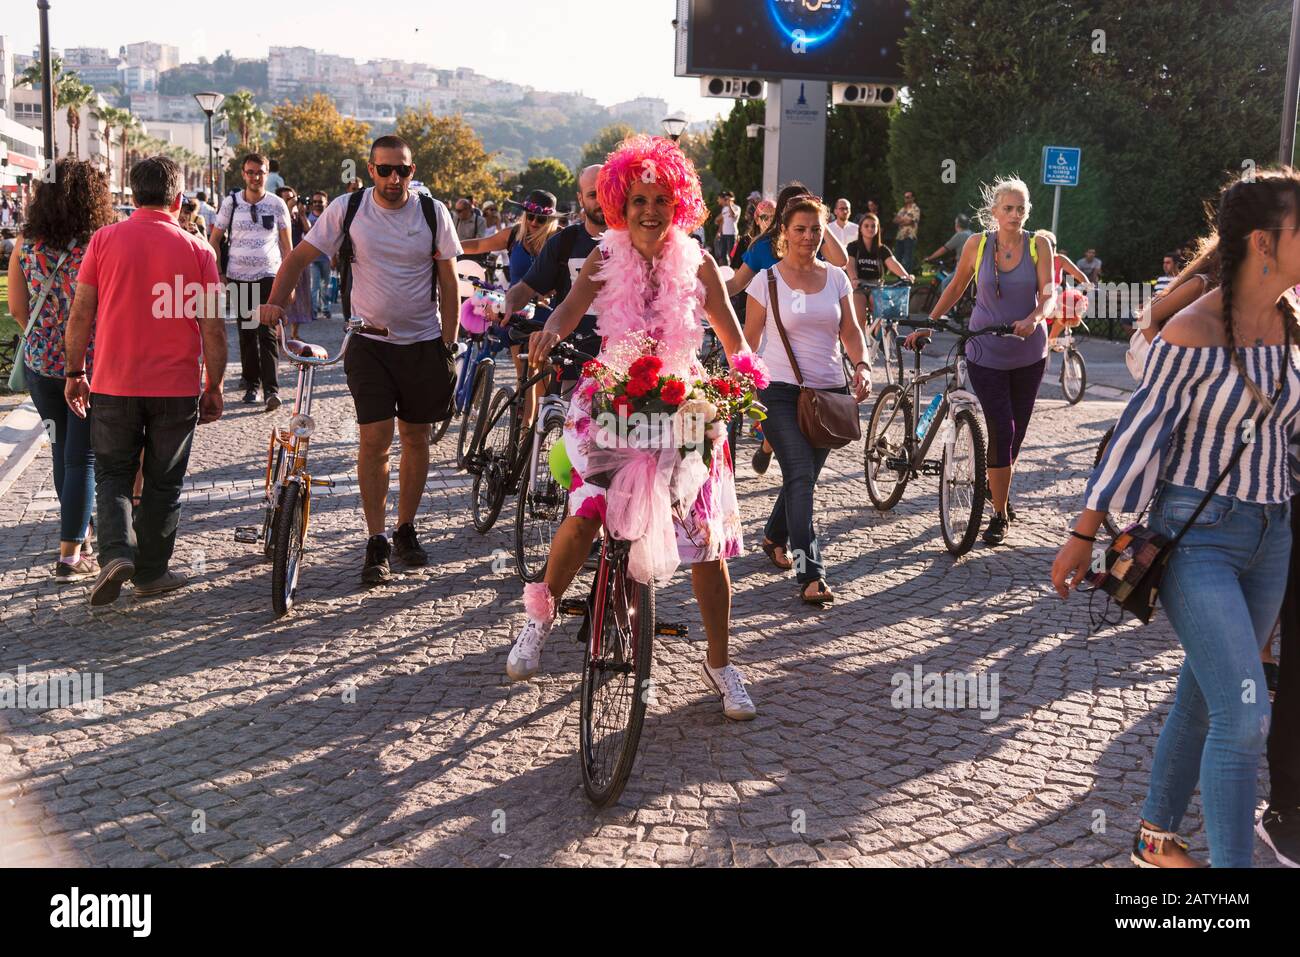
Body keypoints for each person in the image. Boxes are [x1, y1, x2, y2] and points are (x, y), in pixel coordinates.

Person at [1051, 167, 1300, 868]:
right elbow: (1136, 436)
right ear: (1264, 242)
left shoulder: (1288, 325)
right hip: (1200, 539)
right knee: (1246, 710)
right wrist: (1083, 530)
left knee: (1207, 688)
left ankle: (1156, 838)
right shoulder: (1190, 330)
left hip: (1271, 537)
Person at [506, 135, 759, 720]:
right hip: (615, 393)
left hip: (683, 400)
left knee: (706, 545)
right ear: (622, 203)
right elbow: (569, 310)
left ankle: (721, 664)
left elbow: (731, 334)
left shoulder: (700, 263)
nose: (650, 210)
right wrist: (549, 332)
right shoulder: (604, 256)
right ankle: (538, 618)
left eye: (661, 200)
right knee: (587, 514)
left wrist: (748, 377)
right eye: (639, 199)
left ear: (679, 206)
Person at [260, 135, 461, 585]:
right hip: (367, 342)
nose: (394, 179)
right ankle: (376, 539)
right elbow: (298, 256)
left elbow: (449, 282)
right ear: (370, 170)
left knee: (416, 436)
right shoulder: (348, 209)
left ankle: (405, 527)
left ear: (412, 171)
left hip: (423, 343)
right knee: (375, 439)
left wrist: (447, 343)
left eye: (403, 171)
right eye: (385, 169)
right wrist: (275, 302)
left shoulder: (432, 212)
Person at [62, 155, 227, 606]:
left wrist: (75, 372)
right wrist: (213, 384)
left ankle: (116, 553)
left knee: (113, 473)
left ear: (133, 196)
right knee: (163, 480)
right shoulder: (198, 251)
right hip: (175, 386)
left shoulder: (104, 241)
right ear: (177, 199)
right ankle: (152, 572)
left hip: (114, 380)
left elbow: (81, 314)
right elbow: (212, 327)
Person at [905, 176, 1056, 545]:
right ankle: (1000, 514)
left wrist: (1035, 319)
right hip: (985, 351)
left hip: (1028, 353)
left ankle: (995, 488)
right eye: (1008, 208)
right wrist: (930, 324)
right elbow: (956, 286)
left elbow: (1049, 294)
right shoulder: (978, 244)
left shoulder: (1039, 245)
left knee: (1014, 435)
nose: (1015, 214)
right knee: (1001, 429)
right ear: (994, 211)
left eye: (1021, 208)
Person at [745, 195, 872, 604]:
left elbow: (850, 331)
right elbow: (748, 341)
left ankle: (773, 535)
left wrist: (863, 365)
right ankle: (810, 572)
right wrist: (741, 388)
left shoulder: (836, 277)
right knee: (800, 475)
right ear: (783, 232)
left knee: (804, 478)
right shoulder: (765, 282)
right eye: (800, 229)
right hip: (778, 392)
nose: (808, 237)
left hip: (828, 394)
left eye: (816, 230)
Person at [7, 159, 117, 581]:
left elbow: (18, 308)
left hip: (41, 365)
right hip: (86, 365)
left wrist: (45, 339)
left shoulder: (26, 242)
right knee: (83, 457)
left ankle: (82, 535)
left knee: (62, 449)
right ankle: (71, 554)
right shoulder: (100, 243)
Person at [726, 183, 850, 476]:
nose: (807, 233)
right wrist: (706, 294)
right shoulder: (760, 247)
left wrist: (819, 222)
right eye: (795, 206)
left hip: (813, 343)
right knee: (786, 416)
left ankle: (771, 446)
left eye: (806, 205)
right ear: (783, 215)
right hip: (774, 336)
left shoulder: (813, 242)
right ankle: (773, 444)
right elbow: (736, 284)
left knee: (800, 429)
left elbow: (841, 260)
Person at [502, 167, 606, 426]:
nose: (601, 200)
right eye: (593, 194)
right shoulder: (565, 242)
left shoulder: (632, 241)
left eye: (607, 192)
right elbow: (527, 287)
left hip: (617, 359)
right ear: (581, 199)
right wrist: (507, 305)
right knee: (573, 432)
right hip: (573, 355)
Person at [208, 152, 292, 412]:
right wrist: (219, 274)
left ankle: (271, 390)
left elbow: (288, 247)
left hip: (269, 275)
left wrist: (290, 285)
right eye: (251, 172)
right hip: (238, 276)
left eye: (260, 172)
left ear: (268, 174)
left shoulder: (278, 204)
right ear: (244, 174)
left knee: (266, 332)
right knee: (246, 332)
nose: (256, 177)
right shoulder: (231, 203)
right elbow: (214, 241)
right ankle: (252, 384)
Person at [845, 212, 913, 347]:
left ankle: (878, 339)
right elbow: (850, 264)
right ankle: (857, 347)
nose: (870, 229)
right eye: (867, 226)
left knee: (883, 312)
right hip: (859, 287)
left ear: (877, 229)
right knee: (859, 318)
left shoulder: (882, 249)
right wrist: (853, 279)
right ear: (860, 228)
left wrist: (906, 276)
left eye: (873, 226)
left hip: (876, 287)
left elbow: (893, 263)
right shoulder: (853, 247)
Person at [1035, 229, 1093, 347]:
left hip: (1054, 297)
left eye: (1054, 244)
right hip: (1037, 297)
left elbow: (1077, 273)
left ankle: (1051, 339)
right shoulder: (1035, 259)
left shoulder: (1059, 259)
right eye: (1048, 244)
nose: (1052, 247)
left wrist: (1088, 285)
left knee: (1070, 305)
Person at [276, 186, 319, 339]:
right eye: (287, 198)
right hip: (280, 257)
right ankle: (279, 332)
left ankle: (295, 333)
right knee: (281, 295)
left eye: (292, 197)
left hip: (298, 259)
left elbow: (309, 231)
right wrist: (287, 208)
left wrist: (301, 214)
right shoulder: (278, 212)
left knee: (298, 297)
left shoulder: (296, 215)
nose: (291, 201)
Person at [304, 191, 332, 320]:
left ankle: (326, 309)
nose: (317, 204)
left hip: (326, 257)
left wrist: (334, 256)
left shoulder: (330, 217)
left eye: (320, 202)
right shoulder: (308, 218)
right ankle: (314, 311)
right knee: (314, 286)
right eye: (315, 202)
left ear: (326, 203)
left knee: (325, 286)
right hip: (312, 258)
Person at [893, 190, 921, 273]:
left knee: (908, 257)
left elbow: (911, 221)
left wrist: (901, 220)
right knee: (898, 257)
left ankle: (907, 276)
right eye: (905, 197)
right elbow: (894, 220)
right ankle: (899, 276)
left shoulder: (915, 209)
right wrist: (904, 220)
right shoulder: (902, 209)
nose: (906, 199)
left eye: (908, 197)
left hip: (910, 236)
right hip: (900, 236)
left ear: (913, 198)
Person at [713, 190, 740, 264]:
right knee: (722, 255)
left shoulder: (736, 208)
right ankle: (725, 270)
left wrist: (730, 204)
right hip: (724, 234)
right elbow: (721, 221)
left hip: (732, 234)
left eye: (727, 199)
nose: (726, 200)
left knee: (732, 255)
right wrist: (719, 232)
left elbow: (733, 215)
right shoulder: (724, 209)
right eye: (725, 199)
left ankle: (733, 270)